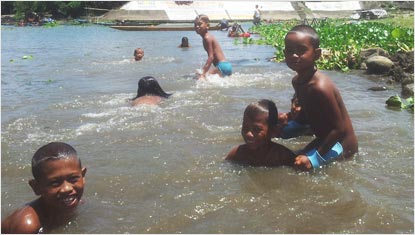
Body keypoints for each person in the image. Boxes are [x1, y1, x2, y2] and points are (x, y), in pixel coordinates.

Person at [279, 24, 358, 170]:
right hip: (325, 138)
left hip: (342, 144)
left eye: (301, 51)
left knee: (299, 167)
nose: (294, 55)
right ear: (284, 53)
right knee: (287, 154)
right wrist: (288, 120)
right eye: (289, 51)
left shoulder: (320, 87)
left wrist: (315, 157)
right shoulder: (297, 81)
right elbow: (306, 114)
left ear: (317, 54)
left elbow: (339, 129)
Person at [1, 142, 87, 234]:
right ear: (36, 187)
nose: (66, 189)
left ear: (83, 176)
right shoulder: (26, 226)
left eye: (73, 179)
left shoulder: (76, 202)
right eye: (55, 183)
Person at [226, 99, 296, 167]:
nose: (248, 134)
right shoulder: (236, 154)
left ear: (273, 131)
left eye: (256, 129)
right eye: (245, 127)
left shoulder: (282, 156)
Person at [194, 14, 232, 80]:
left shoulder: (207, 38)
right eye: (195, 24)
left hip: (222, 66)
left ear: (207, 26)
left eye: (200, 24)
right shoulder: (208, 37)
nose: (197, 26)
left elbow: (211, 57)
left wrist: (203, 73)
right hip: (226, 66)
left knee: (199, 77)